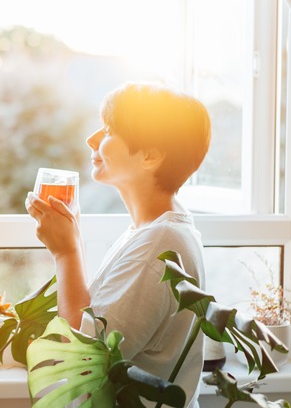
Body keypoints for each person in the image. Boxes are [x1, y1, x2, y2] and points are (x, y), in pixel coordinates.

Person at [25, 82, 211, 407]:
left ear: (150, 156)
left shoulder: (159, 245)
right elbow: (95, 320)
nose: (92, 139)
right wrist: (73, 238)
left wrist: (65, 252)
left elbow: (82, 359)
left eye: (109, 130)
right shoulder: (155, 231)